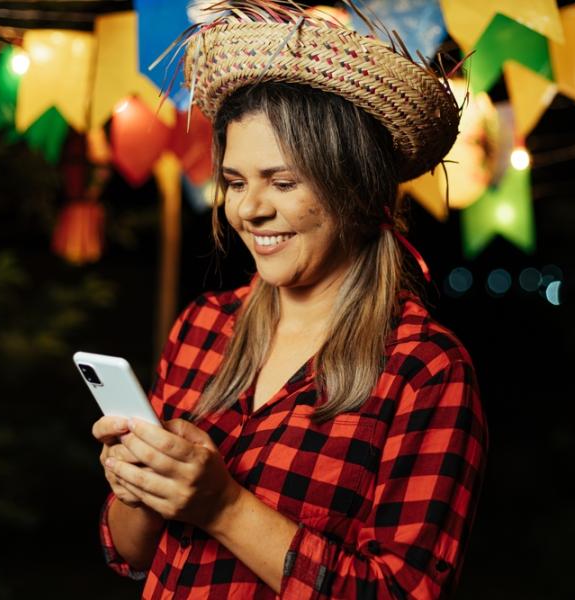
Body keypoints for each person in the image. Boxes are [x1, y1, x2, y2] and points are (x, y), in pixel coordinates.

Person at [92, 2, 487, 597]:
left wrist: (224, 506)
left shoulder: (423, 369)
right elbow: (128, 552)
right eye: (234, 182)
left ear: (353, 185)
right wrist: (140, 485)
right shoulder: (203, 327)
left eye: (282, 182)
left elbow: (402, 592)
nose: (251, 209)